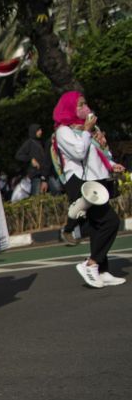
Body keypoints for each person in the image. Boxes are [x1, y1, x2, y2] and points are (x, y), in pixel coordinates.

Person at [51, 91, 126, 288]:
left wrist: (110, 162)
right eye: (80, 105)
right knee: (110, 222)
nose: (85, 108)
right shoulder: (64, 131)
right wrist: (86, 130)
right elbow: (78, 152)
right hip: (81, 183)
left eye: (85, 103)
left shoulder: (87, 129)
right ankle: (91, 263)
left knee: (97, 226)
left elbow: (99, 155)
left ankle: (102, 270)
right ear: (69, 108)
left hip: (96, 180)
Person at [14, 123, 50, 199]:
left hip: (43, 174)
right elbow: (19, 155)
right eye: (38, 130)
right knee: (36, 197)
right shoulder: (29, 143)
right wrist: (31, 159)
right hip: (35, 173)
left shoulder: (41, 142)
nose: (41, 132)